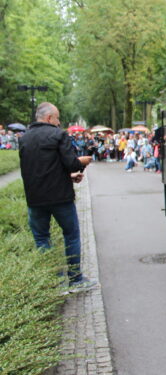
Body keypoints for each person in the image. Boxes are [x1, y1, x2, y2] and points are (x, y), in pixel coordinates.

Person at [18, 102, 95, 292]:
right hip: (60, 198)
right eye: (58, 118)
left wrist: (69, 176)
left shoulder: (24, 139)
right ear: (49, 118)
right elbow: (71, 163)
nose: (59, 122)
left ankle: (55, 282)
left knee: (42, 239)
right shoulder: (59, 135)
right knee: (71, 235)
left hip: (35, 200)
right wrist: (82, 163)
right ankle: (76, 280)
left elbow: (35, 169)